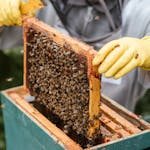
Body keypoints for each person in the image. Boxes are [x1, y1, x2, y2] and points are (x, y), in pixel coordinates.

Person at [0, 0, 150, 111]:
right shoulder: (44, 3)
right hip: (40, 115)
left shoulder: (142, 10)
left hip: (109, 136)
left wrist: (145, 49)